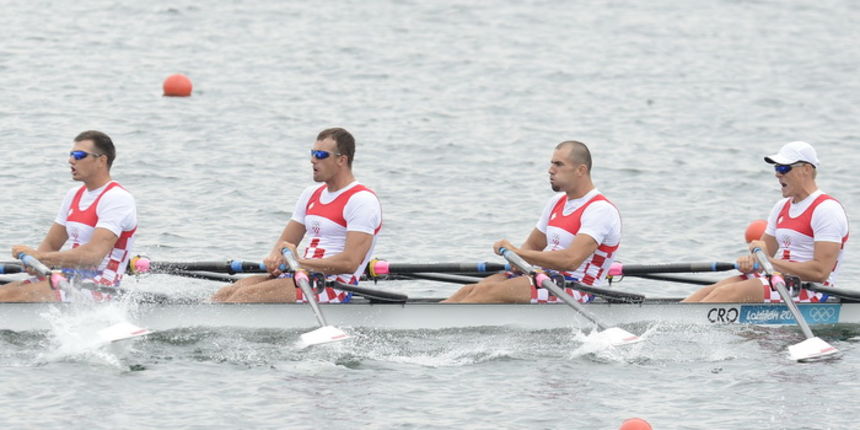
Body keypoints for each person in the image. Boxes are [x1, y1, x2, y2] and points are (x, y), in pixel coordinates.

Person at [213, 128, 382, 303]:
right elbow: (285, 243)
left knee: (244, 297)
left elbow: (349, 263)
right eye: (312, 153)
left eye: (320, 155)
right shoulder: (310, 194)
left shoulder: (362, 200)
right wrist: (275, 258)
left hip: (333, 286)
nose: (312, 160)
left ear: (341, 160)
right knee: (224, 294)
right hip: (302, 275)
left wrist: (298, 262)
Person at [444, 140, 621, 303]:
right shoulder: (557, 202)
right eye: (551, 163)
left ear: (580, 170)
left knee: (484, 294)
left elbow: (570, 260)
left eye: (558, 164)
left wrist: (517, 253)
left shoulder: (600, 210)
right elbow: (533, 245)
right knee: (470, 290)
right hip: (546, 277)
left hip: (577, 289)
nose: (550, 170)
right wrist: (516, 261)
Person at [684, 141, 849, 303]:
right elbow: (762, 255)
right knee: (709, 291)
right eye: (776, 168)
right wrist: (750, 262)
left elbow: (820, 272)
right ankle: (668, 325)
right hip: (779, 279)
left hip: (811, 290)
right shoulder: (781, 207)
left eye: (784, 168)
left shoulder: (826, 209)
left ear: (806, 170)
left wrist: (768, 262)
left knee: (726, 294)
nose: (778, 174)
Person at [0, 130, 138, 302]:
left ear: (102, 161)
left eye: (79, 155)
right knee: (7, 290)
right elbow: (51, 244)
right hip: (70, 278)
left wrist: (40, 257)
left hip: (101, 286)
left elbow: (93, 256)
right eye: (71, 154)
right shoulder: (74, 195)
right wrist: (34, 264)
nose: (71, 160)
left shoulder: (117, 198)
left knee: (6, 294)